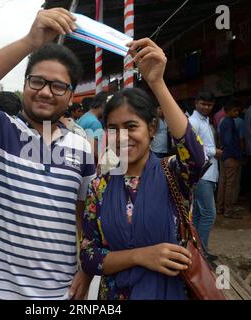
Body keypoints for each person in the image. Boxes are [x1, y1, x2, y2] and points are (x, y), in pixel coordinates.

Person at [0, 8, 96, 300]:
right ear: (25, 84)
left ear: (70, 95)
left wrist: (86, 270)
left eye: (58, 86)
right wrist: (30, 41)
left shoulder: (82, 148)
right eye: (37, 81)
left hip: (57, 294)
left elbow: (85, 220)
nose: (45, 92)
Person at [80, 37, 206, 300]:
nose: (121, 137)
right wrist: (141, 256)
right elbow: (90, 257)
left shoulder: (174, 173)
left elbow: (196, 155)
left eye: (131, 126)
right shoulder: (99, 187)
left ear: (151, 128)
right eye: (113, 129)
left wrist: (157, 83)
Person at [188, 90, 222, 259]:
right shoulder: (192, 122)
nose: (206, 107)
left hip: (208, 172)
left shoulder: (205, 122)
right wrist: (213, 151)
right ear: (196, 103)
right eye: (203, 104)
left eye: (210, 105)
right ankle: (202, 253)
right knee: (209, 213)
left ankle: (197, 250)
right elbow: (191, 147)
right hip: (203, 174)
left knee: (199, 214)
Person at [217, 98, 243, 219]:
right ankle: (228, 210)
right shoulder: (228, 122)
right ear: (228, 111)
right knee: (229, 184)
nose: (237, 113)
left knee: (223, 182)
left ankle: (220, 208)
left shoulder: (225, 121)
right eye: (235, 111)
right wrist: (236, 154)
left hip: (225, 155)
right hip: (230, 156)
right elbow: (228, 141)